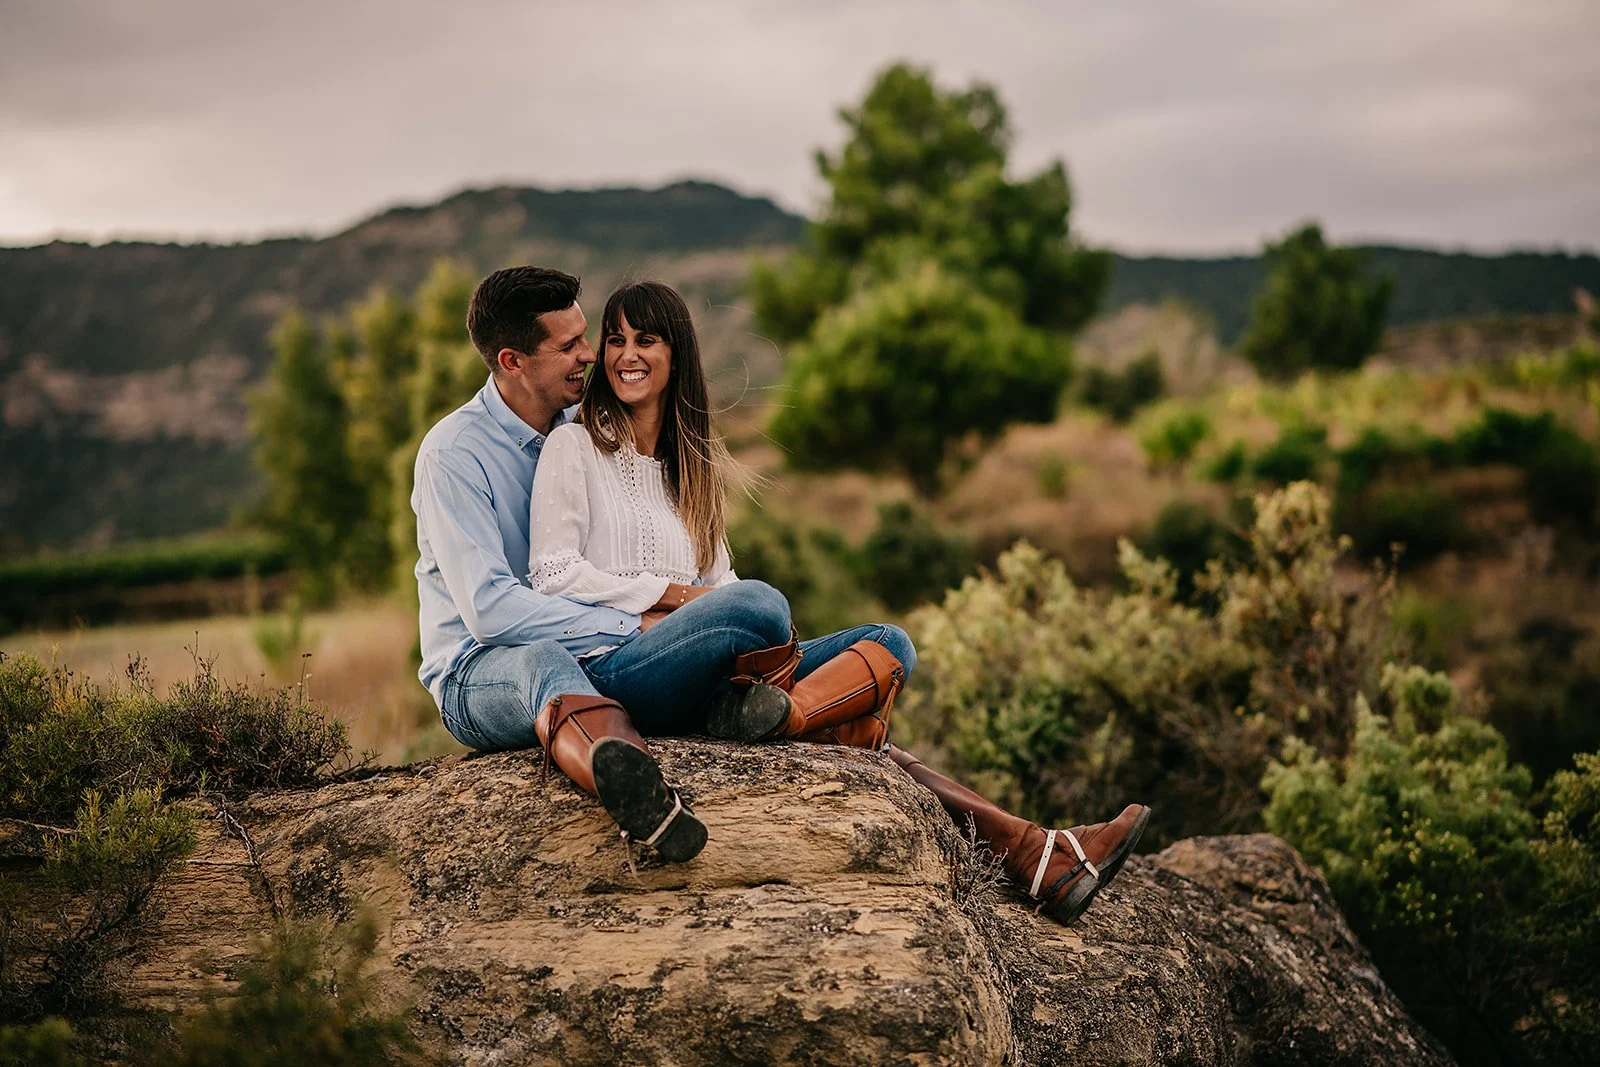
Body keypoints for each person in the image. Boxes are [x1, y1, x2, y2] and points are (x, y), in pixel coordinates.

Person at [522, 276, 1150, 925]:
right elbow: (553, 571)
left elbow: (723, 582)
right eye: (615, 338)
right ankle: (1027, 846)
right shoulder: (576, 445)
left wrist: (720, 609)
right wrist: (679, 601)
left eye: (646, 339)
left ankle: (784, 718)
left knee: (886, 642)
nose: (626, 353)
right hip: (621, 668)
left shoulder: (693, 467)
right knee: (765, 612)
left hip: (708, 676)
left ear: (676, 353)